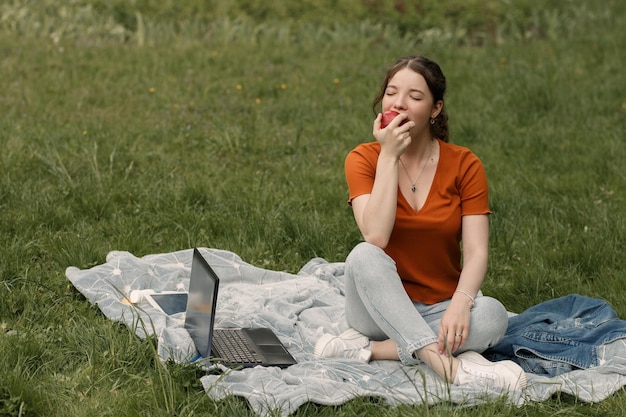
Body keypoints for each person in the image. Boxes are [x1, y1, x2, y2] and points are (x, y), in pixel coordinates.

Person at [313, 56, 527, 392]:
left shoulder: (465, 165)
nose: (398, 103)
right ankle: (447, 365)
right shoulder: (363, 159)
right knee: (363, 255)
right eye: (391, 93)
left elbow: (476, 251)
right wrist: (389, 157)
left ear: (435, 109)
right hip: (374, 309)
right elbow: (376, 235)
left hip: (439, 305)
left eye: (414, 97)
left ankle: (370, 351)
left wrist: (460, 303)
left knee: (493, 315)